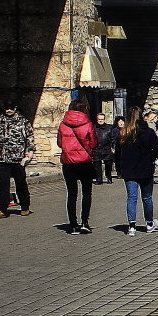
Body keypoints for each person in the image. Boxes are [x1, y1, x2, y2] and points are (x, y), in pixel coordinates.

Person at [115, 106, 158, 235]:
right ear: (141, 117)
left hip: (129, 170)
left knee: (131, 198)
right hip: (145, 169)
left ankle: (132, 226)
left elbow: (117, 154)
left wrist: (118, 169)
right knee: (147, 197)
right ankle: (149, 223)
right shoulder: (148, 132)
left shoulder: (123, 132)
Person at [57, 97, 97, 234]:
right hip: (85, 162)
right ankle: (85, 222)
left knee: (72, 194)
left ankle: (73, 225)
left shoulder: (63, 124)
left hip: (68, 162)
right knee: (86, 193)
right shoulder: (88, 124)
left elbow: (60, 143)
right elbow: (94, 143)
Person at [0, 99, 35, 218]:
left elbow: (30, 137)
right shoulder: (0, 121)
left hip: (18, 157)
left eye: (11, 107)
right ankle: (2, 209)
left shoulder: (23, 121)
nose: (9, 110)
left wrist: (30, 151)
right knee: (3, 184)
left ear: (15, 108)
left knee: (20, 183)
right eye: (6, 108)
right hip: (2, 157)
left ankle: (25, 206)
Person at [92, 112, 117, 184]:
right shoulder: (93, 128)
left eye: (102, 119)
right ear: (97, 120)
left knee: (108, 165)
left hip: (107, 149)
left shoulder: (109, 127)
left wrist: (113, 147)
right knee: (97, 166)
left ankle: (109, 177)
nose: (100, 121)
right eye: (99, 119)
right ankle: (99, 179)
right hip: (96, 149)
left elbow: (113, 139)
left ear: (104, 119)